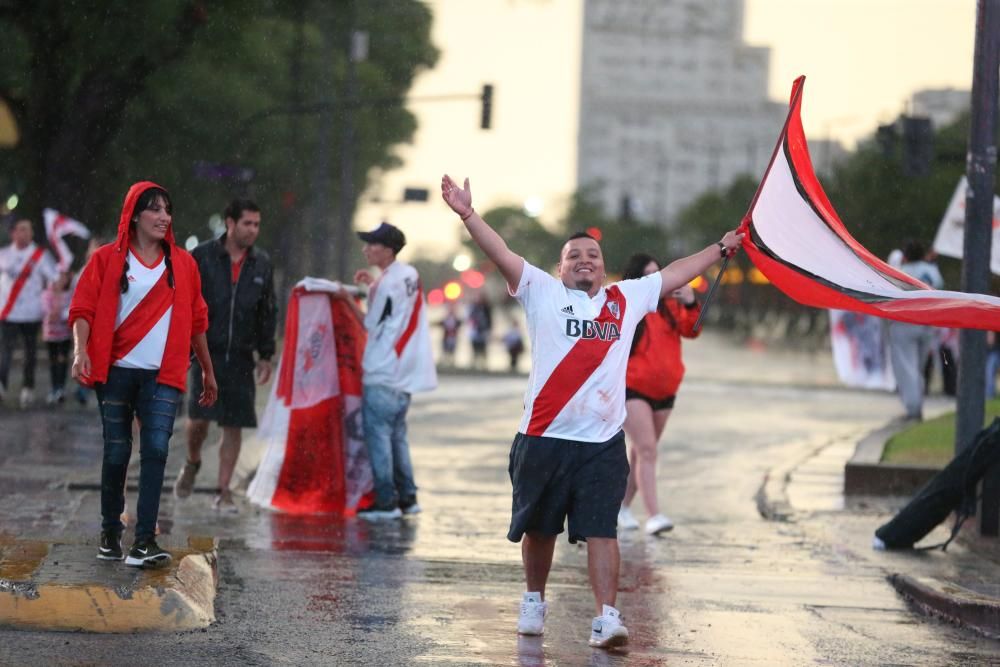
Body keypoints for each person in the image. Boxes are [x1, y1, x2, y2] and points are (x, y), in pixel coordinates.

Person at [440, 174, 743, 649]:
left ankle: (606, 617)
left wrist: (720, 248)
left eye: (592, 256)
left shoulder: (626, 299)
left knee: (603, 531)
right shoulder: (540, 290)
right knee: (539, 530)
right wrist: (467, 214)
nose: (584, 261)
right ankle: (534, 599)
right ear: (560, 269)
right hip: (543, 437)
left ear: (604, 271)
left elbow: (678, 272)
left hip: (601, 444)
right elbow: (499, 252)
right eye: (574, 256)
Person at [70, 181, 217, 567]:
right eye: (154, 209)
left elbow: (199, 321)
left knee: (155, 450)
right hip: (114, 372)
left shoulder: (183, 264)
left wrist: (208, 370)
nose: (163, 217)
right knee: (117, 451)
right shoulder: (106, 259)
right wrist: (80, 350)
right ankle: (109, 531)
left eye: (167, 210)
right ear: (134, 215)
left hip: (163, 376)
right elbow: (82, 310)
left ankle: (144, 542)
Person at [174, 199, 276, 512]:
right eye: (247, 223)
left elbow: (267, 311)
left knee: (234, 425)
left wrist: (266, 354)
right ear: (230, 223)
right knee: (199, 420)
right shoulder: (203, 256)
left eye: (257, 225)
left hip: (242, 356)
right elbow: (184, 300)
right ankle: (192, 462)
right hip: (205, 351)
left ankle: (224, 490)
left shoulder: (261, 263)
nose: (253, 230)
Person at [335, 221, 437, 520]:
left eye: (371, 244)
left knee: (379, 437)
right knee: (397, 437)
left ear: (387, 249)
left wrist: (347, 298)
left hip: (381, 370)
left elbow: (370, 323)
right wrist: (371, 286)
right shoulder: (410, 274)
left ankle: (385, 502)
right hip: (404, 372)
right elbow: (395, 309)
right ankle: (408, 498)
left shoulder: (385, 283)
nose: (366, 249)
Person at [616, 253, 701, 536]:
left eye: (660, 274)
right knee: (648, 450)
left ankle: (622, 506)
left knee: (642, 454)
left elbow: (692, 331)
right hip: (633, 389)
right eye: (649, 275)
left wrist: (689, 301)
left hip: (666, 391)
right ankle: (655, 515)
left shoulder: (671, 306)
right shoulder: (630, 304)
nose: (658, 281)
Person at [0, 217, 59, 407]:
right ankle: (1, 385)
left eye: (28, 230)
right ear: (13, 233)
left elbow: (55, 280)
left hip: (31, 312)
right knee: (4, 350)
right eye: (21, 229)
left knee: (30, 351)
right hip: (8, 311)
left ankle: (28, 387)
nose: (25, 233)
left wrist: (55, 305)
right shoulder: (4, 255)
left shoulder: (40, 255)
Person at [887, 240, 943, 421]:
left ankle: (913, 408)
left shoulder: (901, 272)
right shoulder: (932, 272)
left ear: (906, 256)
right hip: (927, 325)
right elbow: (939, 289)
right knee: (918, 367)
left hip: (905, 325)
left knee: (907, 367)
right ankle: (917, 403)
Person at [42, 270, 74, 404]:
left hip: (64, 334)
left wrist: (60, 315)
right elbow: (46, 312)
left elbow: (70, 311)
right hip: (51, 335)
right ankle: (54, 387)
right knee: (53, 361)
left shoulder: (70, 294)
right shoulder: (46, 295)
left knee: (63, 360)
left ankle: (61, 388)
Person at [467, 293, 493, 370]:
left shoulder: (486, 308)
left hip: (483, 330)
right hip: (475, 330)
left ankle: (483, 363)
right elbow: (470, 318)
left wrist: (488, 329)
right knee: (475, 347)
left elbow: (489, 319)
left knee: (483, 347)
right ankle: (474, 362)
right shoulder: (473, 308)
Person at [439, 303, 462, 368]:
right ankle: (445, 361)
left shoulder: (455, 318)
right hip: (447, 337)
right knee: (446, 350)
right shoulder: (446, 318)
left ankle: (452, 362)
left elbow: (459, 324)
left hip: (453, 337)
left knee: (452, 350)